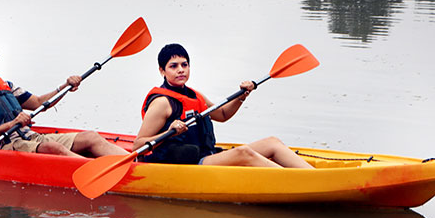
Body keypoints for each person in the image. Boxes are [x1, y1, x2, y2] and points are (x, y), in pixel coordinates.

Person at [0, 33, 127, 158]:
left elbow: (38, 102)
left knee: (91, 137)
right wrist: (12, 124)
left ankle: (134, 162)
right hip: (3, 146)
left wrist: (65, 87)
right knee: (52, 147)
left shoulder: (4, 85)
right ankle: (101, 172)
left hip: (30, 137)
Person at [133, 43, 313, 168]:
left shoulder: (194, 95)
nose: (181, 70)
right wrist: (169, 131)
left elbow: (223, 114)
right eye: (173, 66)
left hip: (207, 155)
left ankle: (311, 176)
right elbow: (138, 146)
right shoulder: (162, 103)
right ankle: (297, 181)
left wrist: (242, 96)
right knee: (243, 152)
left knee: (272, 143)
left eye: (184, 65)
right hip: (186, 164)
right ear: (162, 71)